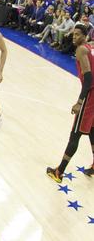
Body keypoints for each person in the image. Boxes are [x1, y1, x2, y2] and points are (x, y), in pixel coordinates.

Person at [46, 24, 94, 182]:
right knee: (92, 131)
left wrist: (80, 102)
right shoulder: (88, 46)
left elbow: (88, 78)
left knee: (75, 134)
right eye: (73, 35)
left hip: (90, 96)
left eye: (78, 35)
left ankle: (59, 172)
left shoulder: (81, 49)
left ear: (85, 35)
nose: (74, 37)